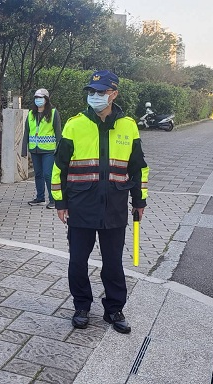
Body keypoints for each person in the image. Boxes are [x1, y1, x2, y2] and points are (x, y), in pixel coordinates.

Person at [51, 70, 149, 333]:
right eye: (91, 92)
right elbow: (58, 167)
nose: (95, 96)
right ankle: (81, 305)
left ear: (114, 93)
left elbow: (138, 167)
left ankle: (114, 309)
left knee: (114, 263)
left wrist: (140, 200)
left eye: (101, 92)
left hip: (115, 205)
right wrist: (60, 203)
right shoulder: (75, 124)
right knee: (77, 261)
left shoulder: (128, 125)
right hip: (81, 205)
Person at [21, 88, 62, 209]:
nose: (38, 100)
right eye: (36, 98)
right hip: (34, 149)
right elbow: (26, 132)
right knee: (38, 174)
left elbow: (58, 132)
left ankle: (53, 199)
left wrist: (59, 150)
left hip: (49, 149)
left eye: (40, 98)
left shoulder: (54, 113)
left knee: (48, 174)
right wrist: (24, 149)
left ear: (46, 99)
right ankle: (40, 198)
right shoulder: (30, 114)